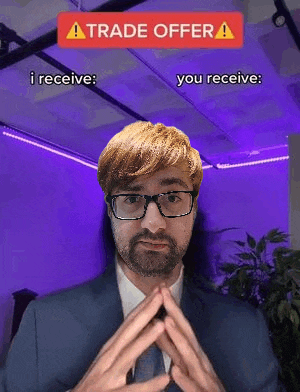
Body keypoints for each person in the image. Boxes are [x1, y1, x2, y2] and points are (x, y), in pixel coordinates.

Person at [1, 122, 283, 392]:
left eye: (172, 198)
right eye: (132, 198)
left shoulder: (245, 327)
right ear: (111, 212)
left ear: (193, 210)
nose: (153, 223)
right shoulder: (44, 321)